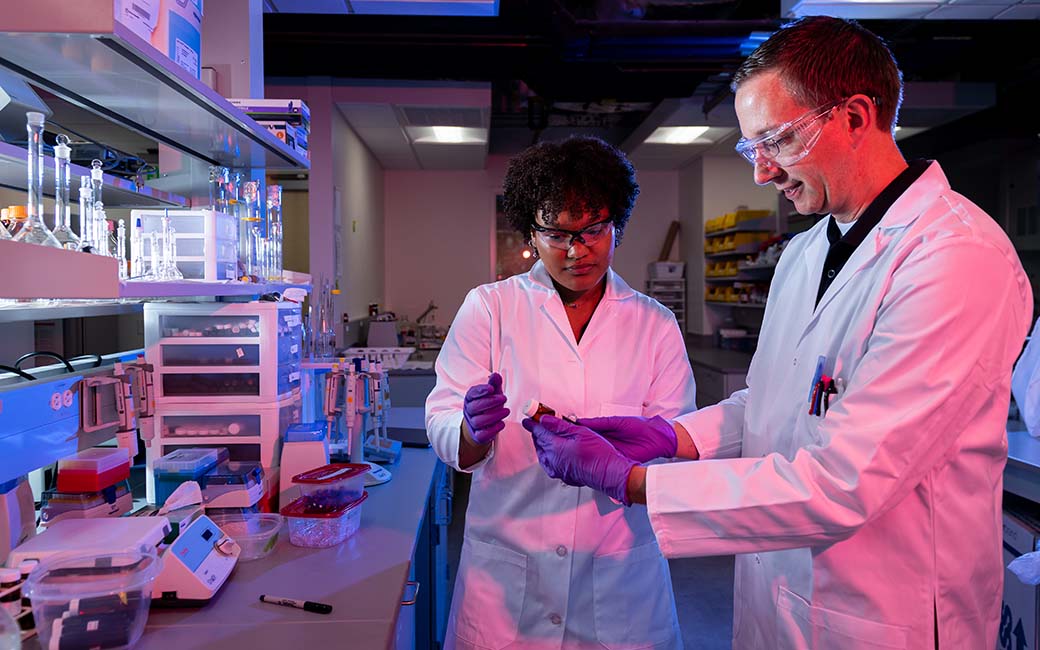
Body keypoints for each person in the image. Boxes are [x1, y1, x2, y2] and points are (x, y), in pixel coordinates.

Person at [525, 16, 1033, 650]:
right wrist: (672, 437)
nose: (761, 172)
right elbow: (775, 405)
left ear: (854, 116)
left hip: (884, 615)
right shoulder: (803, 252)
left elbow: (846, 481)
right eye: (751, 148)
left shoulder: (955, 258)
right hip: (776, 603)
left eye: (777, 141)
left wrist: (633, 481)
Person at [425, 135, 697, 650]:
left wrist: (620, 467)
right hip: (507, 577)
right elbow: (442, 416)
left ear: (616, 223)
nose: (578, 250)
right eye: (558, 234)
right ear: (531, 229)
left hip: (619, 574)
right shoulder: (490, 307)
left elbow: (678, 440)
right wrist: (469, 430)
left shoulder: (654, 323)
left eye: (594, 229)